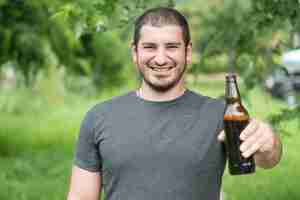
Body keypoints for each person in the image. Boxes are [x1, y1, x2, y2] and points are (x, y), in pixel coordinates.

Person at [67, 7, 282, 200]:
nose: (161, 58)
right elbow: (81, 196)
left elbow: (268, 159)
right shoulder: (99, 117)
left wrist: (269, 141)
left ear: (187, 52)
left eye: (171, 47)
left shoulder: (219, 114)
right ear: (135, 52)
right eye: (150, 47)